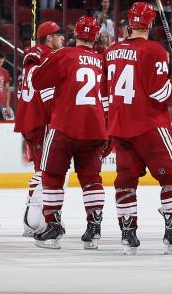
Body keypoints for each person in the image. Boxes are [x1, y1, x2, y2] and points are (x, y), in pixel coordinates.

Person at [105, 2, 172, 255]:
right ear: (150, 24)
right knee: (171, 177)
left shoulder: (111, 51)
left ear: (129, 23)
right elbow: (160, 94)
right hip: (150, 126)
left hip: (120, 125)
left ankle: (128, 234)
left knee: (125, 181)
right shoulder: (154, 50)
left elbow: (105, 97)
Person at [31, 16, 108, 250]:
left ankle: (53, 226)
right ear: (95, 36)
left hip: (64, 125)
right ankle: (94, 228)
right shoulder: (100, 60)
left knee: (52, 175)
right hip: (96, 127)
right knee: (91, 179)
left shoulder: (63, 55)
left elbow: (37, 81)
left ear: (76, 34)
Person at [13, 21, 64, 236]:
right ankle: (33, 220)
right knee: (45, 170)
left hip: (29, 118)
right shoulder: (45, 55)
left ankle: (38, 217)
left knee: (42, 168)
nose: (62, 38)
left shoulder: (37, 55)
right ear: (49, 38)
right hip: (40, 119)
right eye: (57, 34)